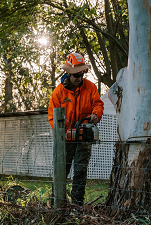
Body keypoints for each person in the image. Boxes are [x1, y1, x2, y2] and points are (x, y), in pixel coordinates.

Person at [48, 53, 104, 206]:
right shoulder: (58, 92)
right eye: (75, 75)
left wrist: (95, 115)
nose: (78, 78)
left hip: (84, 136)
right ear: (68, 73)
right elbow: (52, 116)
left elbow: (98, 104)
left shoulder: (90, 87)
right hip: (65, 139)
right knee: (62, 170)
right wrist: (63, 132)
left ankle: (77, 204)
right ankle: (56, 201)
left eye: (81, 74)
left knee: (80, 171)